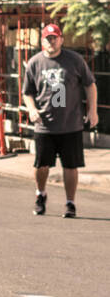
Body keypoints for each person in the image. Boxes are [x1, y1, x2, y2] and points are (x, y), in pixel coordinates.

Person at [23, 22, 98, 218]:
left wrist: (93, 111)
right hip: (45, 125)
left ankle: (70, 203)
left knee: (71, 166)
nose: (51, 41)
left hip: (70, 124)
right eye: (48, 38)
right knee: (41, 165)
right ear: (42, 41)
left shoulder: (74, 60)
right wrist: (31, 109)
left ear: (61, 40)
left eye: (55, 38)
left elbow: (90, 85)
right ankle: (40, 195)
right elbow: (27, 92)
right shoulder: (35, 63)